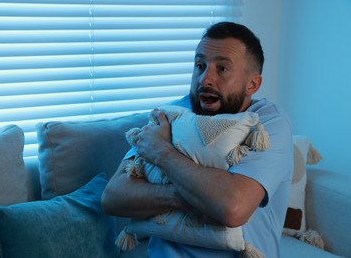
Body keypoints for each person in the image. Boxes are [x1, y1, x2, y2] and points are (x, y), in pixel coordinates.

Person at [101, 22, 293, 257]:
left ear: (252, 84)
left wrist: (162, 153)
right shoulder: (171, 114)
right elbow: (113, 197)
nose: (205, 79)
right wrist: (183, 197)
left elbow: (233, 209)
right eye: (200, 65)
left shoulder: (268, 124)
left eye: (222, 69)